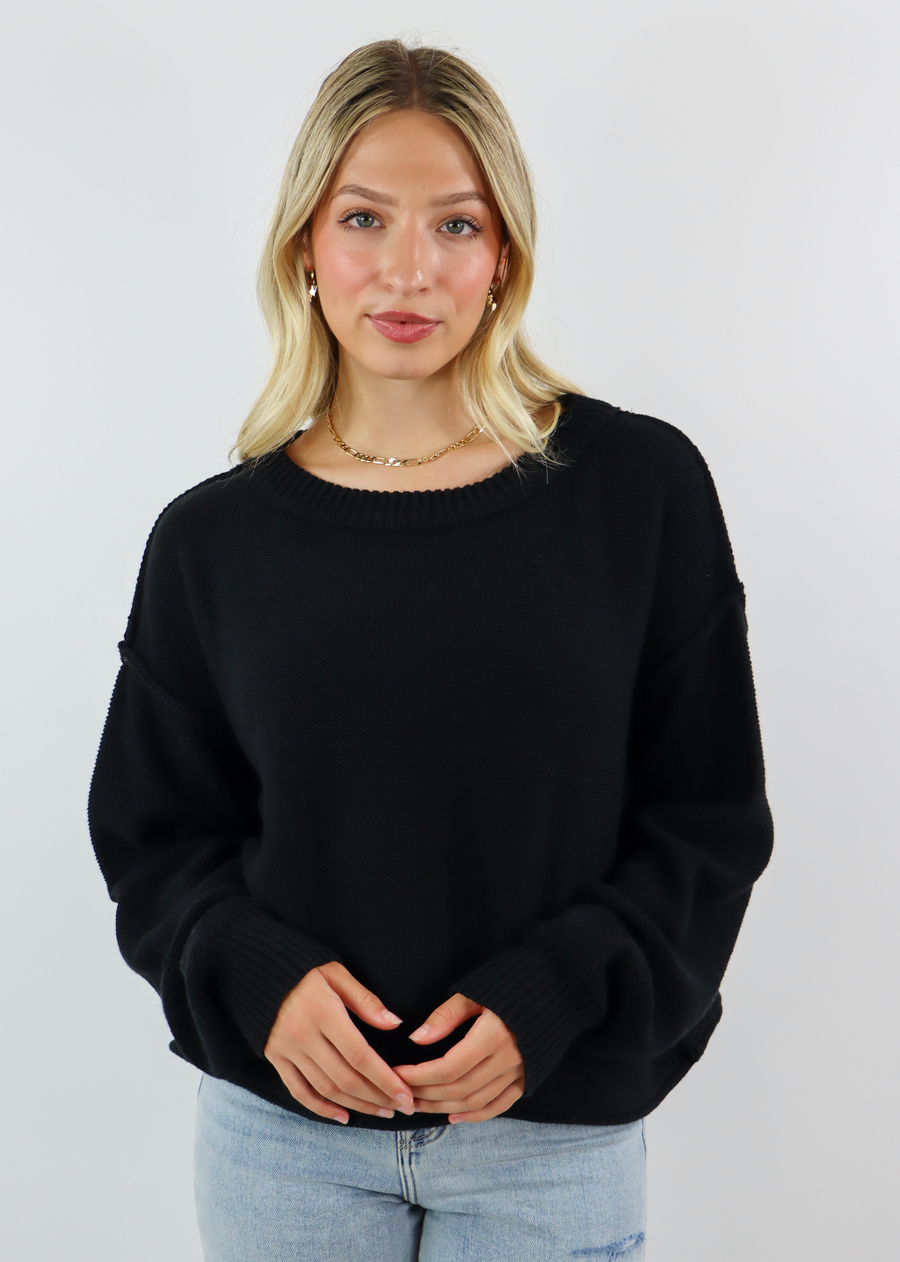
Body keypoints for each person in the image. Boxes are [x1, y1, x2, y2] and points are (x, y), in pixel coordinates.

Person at [87, 38, 774, 1262]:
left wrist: (559, 988)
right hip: (283, 1143)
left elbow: (709, 817)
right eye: (365, 218)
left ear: (504, 253)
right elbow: (154, 838)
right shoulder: (212, 541)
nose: (409, 269)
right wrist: (256, 972)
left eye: (456, 224)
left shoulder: (638, 492)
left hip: (548, 1139)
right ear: (305, 245)